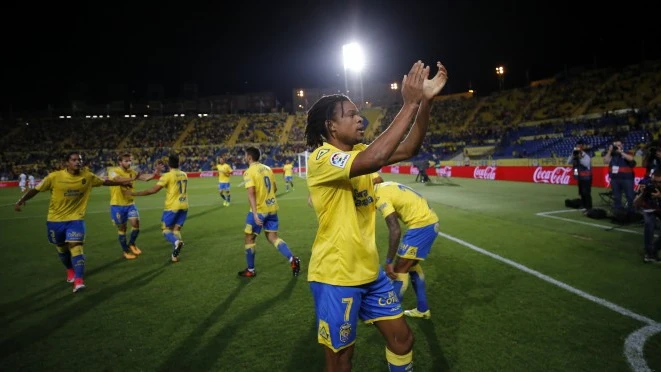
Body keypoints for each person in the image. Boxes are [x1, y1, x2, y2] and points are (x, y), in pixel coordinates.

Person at [305, 60, 447, 371]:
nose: (360, 119)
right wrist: (408, 102)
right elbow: (377, 157)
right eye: (351, 115)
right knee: (341, 360)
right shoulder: (321, 157)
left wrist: (424, 102)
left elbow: (409, 148)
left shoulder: (358, 152)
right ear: (330, 126)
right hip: (336, 277)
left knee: (402, 340)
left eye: (359, 113)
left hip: (370, 274)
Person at [14, 151, 132, 293]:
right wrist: (22, 200)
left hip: (76, 219)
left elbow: (105, 181)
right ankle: (70, 270)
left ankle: (79, 281)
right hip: (55, 220)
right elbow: (36, 189)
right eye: (74, 160)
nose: (78, 162)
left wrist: (122, 182)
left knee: (76, 246)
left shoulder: (87, 176)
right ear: (67, 162)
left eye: (80, 160)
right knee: (62, 248)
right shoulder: (55, 177)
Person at [373, 178, 439, 320]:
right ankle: (423, 309)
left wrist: (389, 261)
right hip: (428, 222)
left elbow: (395, 230)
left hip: (422, 226)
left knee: (399, 269)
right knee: (411, 267)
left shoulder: (378, 195)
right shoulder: (386, 185)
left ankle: (389, 315)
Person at [238, 147, 301, 277]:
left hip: (260, 210)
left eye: (245, 156)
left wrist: (255, 213)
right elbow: (275, 188)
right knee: (273, 238)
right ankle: (292, 259)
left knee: (249, 237)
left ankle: (250, 270)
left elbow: (251, 193)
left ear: (249, 157)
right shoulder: (268, 169)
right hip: (272, 209)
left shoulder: (249, 172)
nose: (244, 158)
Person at [125, 154, 188, 263]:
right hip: (184, 206)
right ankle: (174, 255)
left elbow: (153, 190)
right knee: (176, 229)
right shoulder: (184, 174)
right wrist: (157, 173)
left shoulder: (167, 176)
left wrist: (134, 193)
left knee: (166, 230)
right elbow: (171, 176)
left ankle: (177, 243)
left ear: (169, 164)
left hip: (172, 207)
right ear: (179, 163)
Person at [108, 153, 163, 260]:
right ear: (120, 162)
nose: (128, 163)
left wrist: (155, 173)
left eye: (129, 161)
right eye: (126, 161)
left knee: (136, 224)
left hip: (130, 204)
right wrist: (133, 178)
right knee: (122, 228)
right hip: (117, 205)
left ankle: (132, 244)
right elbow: (117, 180)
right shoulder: (113, 171)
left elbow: (144, 178)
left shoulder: (131, 172)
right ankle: (125, 251)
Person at [634, 171, 661, 263]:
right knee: (649, 224)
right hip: (649, 208)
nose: (657, 184)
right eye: (655, 182)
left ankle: (654, 248)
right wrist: (643, 194)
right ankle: (650, 253)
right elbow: (635, 204)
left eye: (659, 182)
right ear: (651, 177)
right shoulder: (644, 183)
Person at [603, 139, 636, 212]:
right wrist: (610, 151)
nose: (617, 146)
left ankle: (631, 212)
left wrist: (621, 152)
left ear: (622, 145)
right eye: (616, 145)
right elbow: (605, 161)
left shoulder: (626, 152)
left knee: (630, 196)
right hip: (615, 179)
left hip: (627, 179)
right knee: (616, 197)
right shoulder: (612, 155)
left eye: (619, 145)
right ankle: (618, 212)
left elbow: (631, 159)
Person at [567, 140, 592, 211]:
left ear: (582, 147)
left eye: (579, 147)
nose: (578, 148)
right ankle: (583, 205)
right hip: (579, 177)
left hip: (586, 177)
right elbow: (568, 162)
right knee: (581, 192)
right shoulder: (575, 155)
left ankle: (588, 206)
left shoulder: (585, 156)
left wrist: (580, 157)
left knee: (586, 192)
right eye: (577, 147)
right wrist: (572, 155)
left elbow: (586, 164)